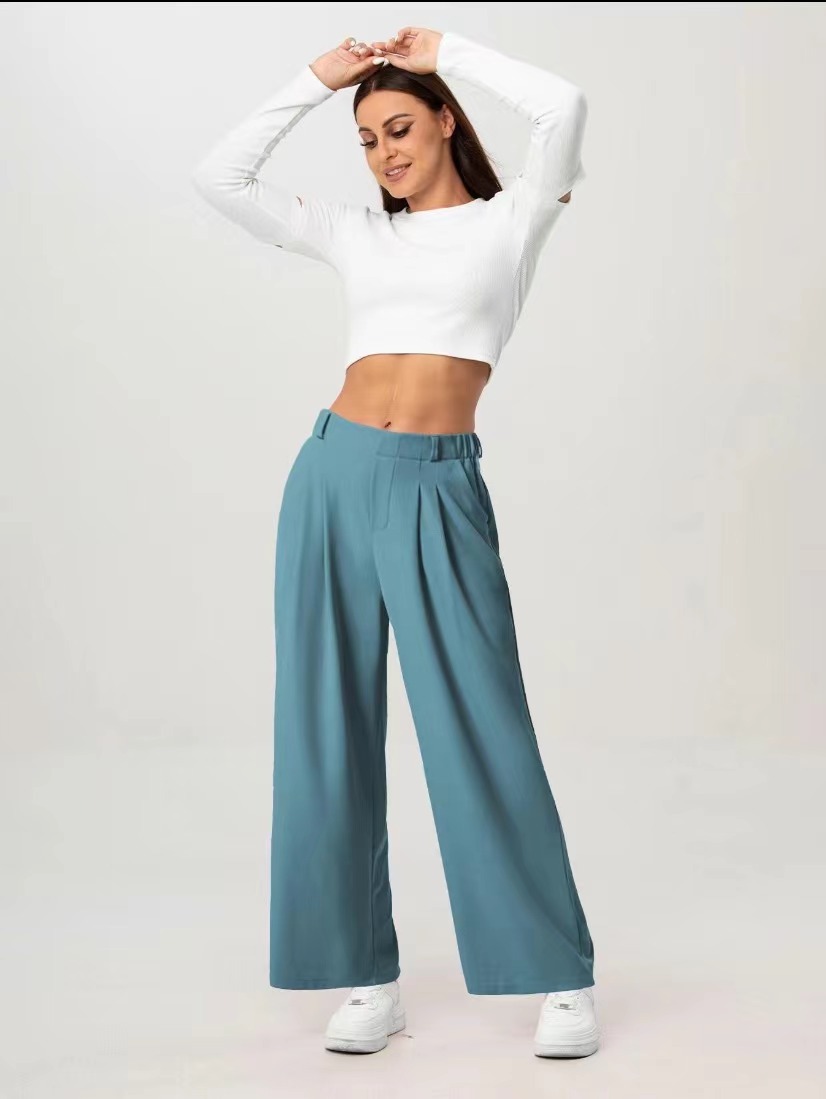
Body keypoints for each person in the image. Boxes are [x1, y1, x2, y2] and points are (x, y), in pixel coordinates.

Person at [192, 25, 599, 1059]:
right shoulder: (355, 233)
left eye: (401, 128)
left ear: (446, 121)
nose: (385, 154)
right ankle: (365, 974)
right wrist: (314, 81)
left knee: (480, 724)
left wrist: (447, 49)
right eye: (368, 139)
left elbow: (563, 107)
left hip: (435, 484)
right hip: (329, 475)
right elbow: (219, 176)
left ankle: (556, 973)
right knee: (323, 725)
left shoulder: (512, 221)